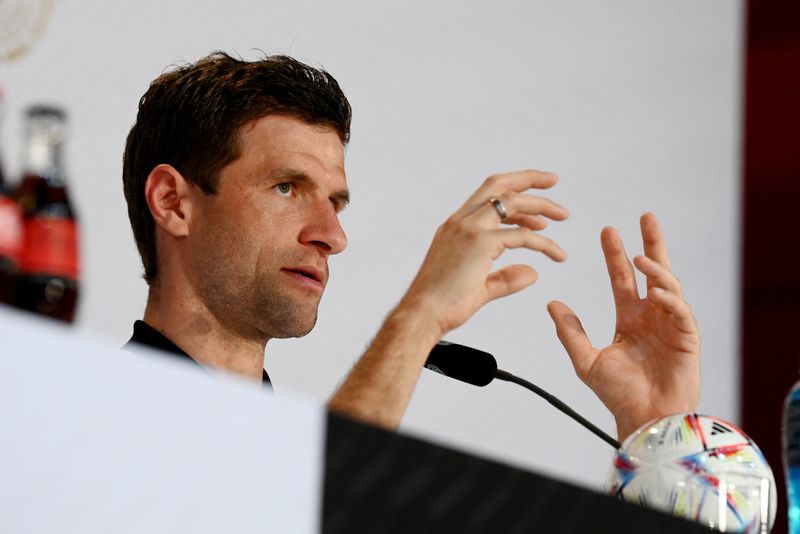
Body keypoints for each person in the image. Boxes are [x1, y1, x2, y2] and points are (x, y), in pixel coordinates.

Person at [122, 52, 700, 442]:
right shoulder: (85, 424)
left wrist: (655, 439)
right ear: (174, 202)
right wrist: (421, 315)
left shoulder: (276, 443)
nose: (332, 236)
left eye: (336, 202)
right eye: (286, 187)